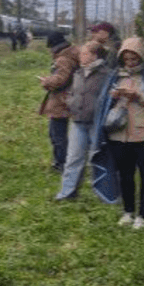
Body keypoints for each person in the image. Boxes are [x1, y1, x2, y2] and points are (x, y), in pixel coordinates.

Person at [92, 37, 144, 229]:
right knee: (125, 174)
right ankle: (128, 211)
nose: (130, 63)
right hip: (119, 134)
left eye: (134, 58)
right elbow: (103, 104)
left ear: (142, 57)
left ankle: (143, 216)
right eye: (127, 59)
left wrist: (138, 97)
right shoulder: (115, 75)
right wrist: (113, 97)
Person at [55, 41, 110, 201]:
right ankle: (67, 192)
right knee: (73, 158)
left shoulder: (106, 75)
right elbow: (73, 92)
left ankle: (104, 193)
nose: (80, 56)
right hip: (78, 122)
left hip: (96, 124)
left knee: (99, 159)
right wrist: (71, 102)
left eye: (84, 54)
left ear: (94, 56)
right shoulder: (78, 73)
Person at [38, 31, 79, 172]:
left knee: (57, 134)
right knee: (58, 133)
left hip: (61, 100)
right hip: (68, 98)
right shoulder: (71, 53)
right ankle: (62, 162)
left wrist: (46, 81)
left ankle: (61, 163)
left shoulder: (63, 58)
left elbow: (61, 78)